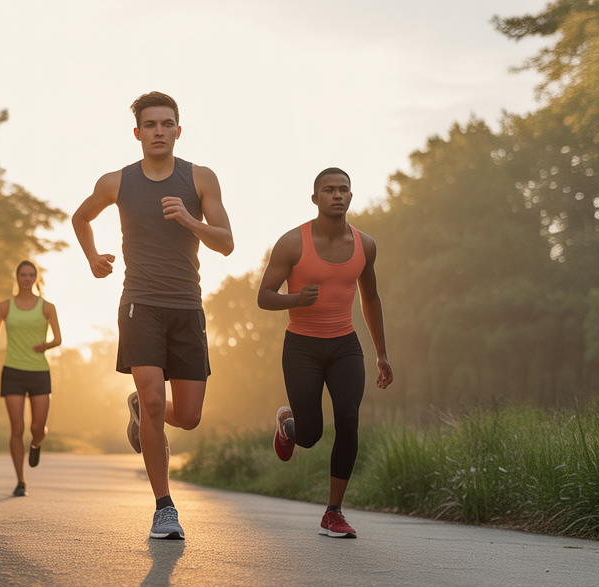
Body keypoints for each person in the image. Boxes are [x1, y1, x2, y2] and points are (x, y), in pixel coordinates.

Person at [70, 91, 234, 540]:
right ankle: (164, 507)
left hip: (187, 306)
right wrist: (92, 259)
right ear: (138, 133)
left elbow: (226, 242)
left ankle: (140, 410)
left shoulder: (200, 179)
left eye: (167, 124)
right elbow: (80, 218)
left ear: (178, 131)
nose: (159, 131)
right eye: (151, 125)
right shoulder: (116, 182)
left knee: (190, 415)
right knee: (158, 404)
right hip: (139, 303)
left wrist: (190, 221)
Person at [256, 168, 392, 539]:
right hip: (302, 346)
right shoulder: (292, 243)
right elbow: (264, 296)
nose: (337, 195)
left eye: (343, 189)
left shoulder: (366, 245)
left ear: (351, 196)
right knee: (312, 434)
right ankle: (289, 425)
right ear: (315, 198)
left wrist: (380, 352)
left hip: (345, 345)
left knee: (348, 418)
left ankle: (334, 512)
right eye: (328, 190)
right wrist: (296, 299)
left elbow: (370, 297)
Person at [0, 260, 62, 496]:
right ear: (17, 278)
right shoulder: (5, 306)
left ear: (36, 278)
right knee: (17, 428)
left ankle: (37, 442)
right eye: (23, 274)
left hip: (39, 371)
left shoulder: (47, 307)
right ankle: (20, 481)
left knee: (37, 427)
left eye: (31, 275)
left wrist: (46, 345)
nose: (27, 278)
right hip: (13, 371)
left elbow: (58, 339)